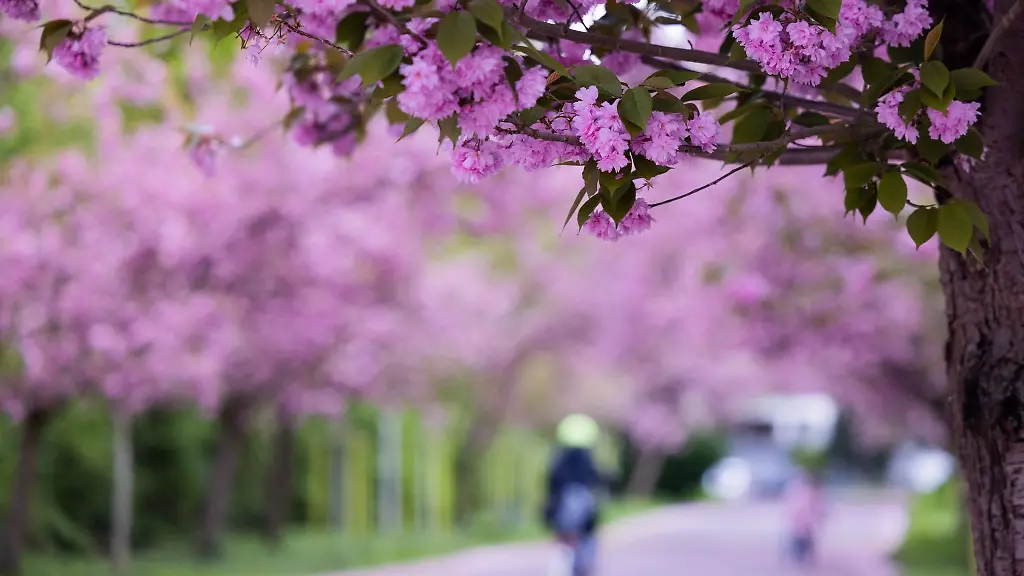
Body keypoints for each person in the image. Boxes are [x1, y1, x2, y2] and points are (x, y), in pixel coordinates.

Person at [543, 413, 606, 576]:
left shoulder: (558, 460)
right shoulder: (589, 461)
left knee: (563, 546)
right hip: (585, 519)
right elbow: (597, 482)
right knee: (586, 549)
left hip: (562, 516)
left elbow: (551, 483)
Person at [784, 468, 826, 567]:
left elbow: (817, 507)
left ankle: (805, 559)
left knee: (806, 541)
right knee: (800, 541)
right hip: (801, 523)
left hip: (806, 523)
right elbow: (793, 507)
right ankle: (801, 558)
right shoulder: (798, 491)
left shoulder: (810, 492)